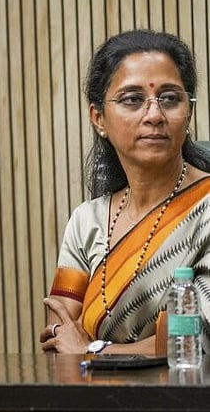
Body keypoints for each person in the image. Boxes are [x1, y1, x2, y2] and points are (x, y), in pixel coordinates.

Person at [41, 30, 210, 355]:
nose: (154, 115)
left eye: (170, 98)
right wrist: (80, 347)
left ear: (187, 112)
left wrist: (93, 350)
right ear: (98, 118)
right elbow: (58, 332)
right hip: (91, 401)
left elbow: (194, 337)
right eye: (132, 99)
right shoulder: (87, 221)